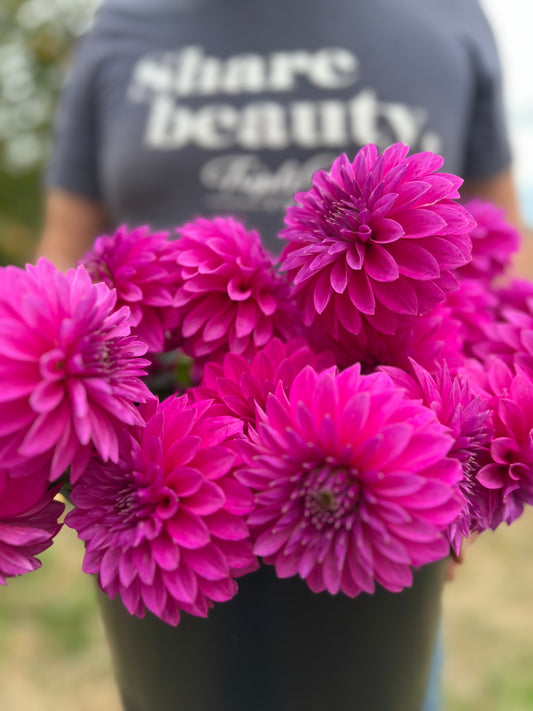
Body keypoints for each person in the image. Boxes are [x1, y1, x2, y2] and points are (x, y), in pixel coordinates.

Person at [36, 1, 526, 710]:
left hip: (379, 546)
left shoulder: (449, 16)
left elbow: (502, 244)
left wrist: (450, 478)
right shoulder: (120, 26)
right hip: (174, 452)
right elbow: (64, 246)